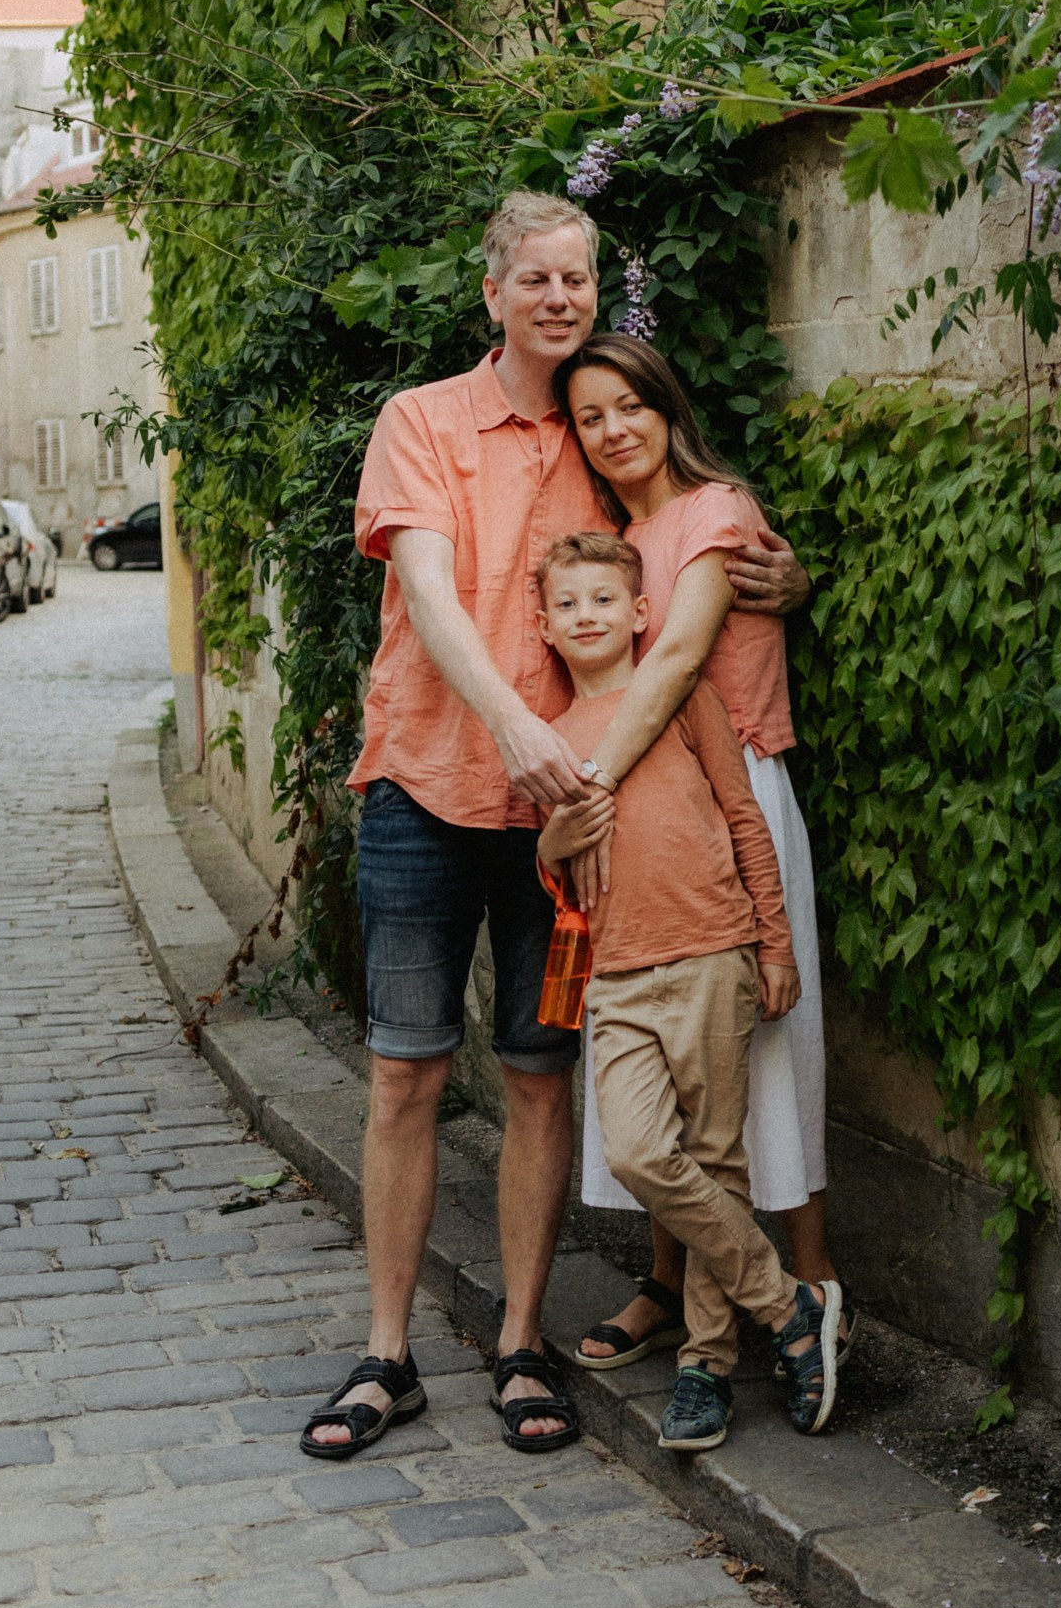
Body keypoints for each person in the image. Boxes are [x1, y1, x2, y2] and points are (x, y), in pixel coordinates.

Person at [299, 191, 807, 1463]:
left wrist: (784, 576)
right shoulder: (420, 421)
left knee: (539, 1077)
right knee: (408, 1071)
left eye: (576, 280)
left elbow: (693, 535)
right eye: (535, 279)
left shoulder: (600, 428)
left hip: (572, 818)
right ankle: (386, 1352)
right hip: (424, 782)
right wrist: (513, 730)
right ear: (492, 293)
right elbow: (425, 587)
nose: (558, 300)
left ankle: (522, 1339)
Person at [542, 333, 841, 1377]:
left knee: (765, 1058)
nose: (614, 429)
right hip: (635, 808)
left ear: (666, 405)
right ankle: (674, 1289)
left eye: (630, 404)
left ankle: (812, 1287)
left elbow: (672, 661)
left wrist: (589, 782)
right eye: (590, 416)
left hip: (729, 792)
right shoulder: (610, 546)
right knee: (668, 1087)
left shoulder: (717, 513)